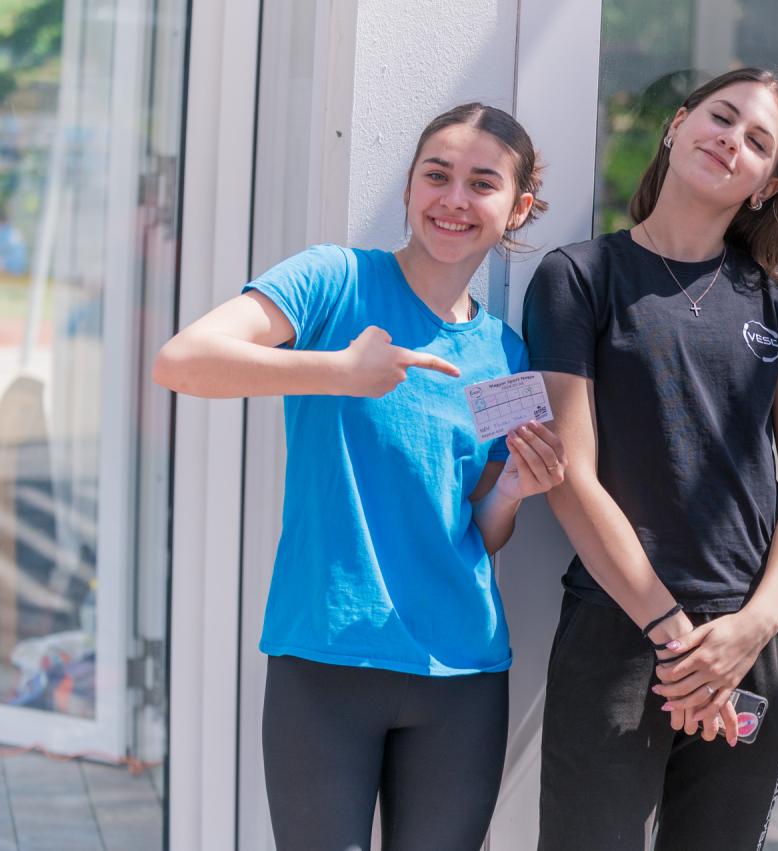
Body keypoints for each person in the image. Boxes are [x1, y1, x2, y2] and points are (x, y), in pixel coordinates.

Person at [152, 104, 563, 851]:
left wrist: (513, 490)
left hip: (463, 671)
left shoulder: (508, 353)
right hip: (326, 657)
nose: (454, 199)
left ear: (517, 207)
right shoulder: (333, 279)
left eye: (482, 183)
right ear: (408, 188)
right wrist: (339, 371)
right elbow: (182, 361)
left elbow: (482, 527)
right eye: (436, 175)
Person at [523, 67, 778, 849]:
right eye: (722, 117)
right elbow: (571, 476)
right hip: (622, 630)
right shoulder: (580, 276)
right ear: (677, 124)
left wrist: (754, 626)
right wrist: (672, 633)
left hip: (751, 640)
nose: (732, 141)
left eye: (758, 141)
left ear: (768, 185)